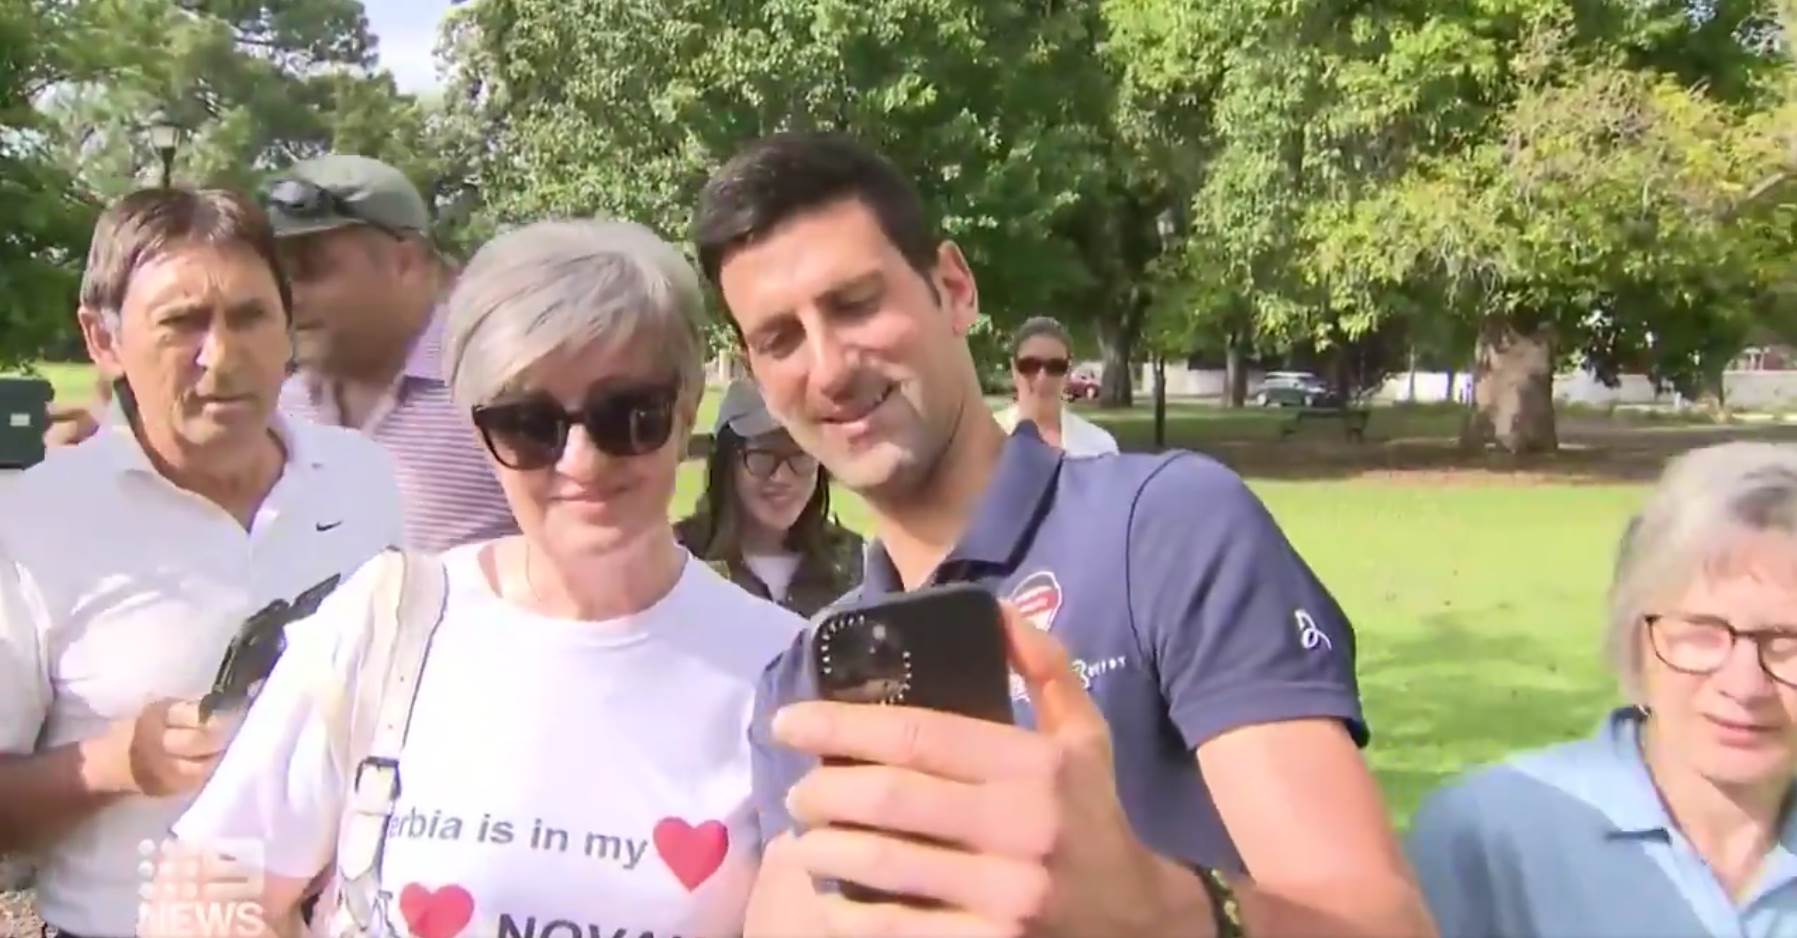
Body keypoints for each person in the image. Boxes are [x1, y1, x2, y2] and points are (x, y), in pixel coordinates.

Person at [693, 132, 1434, 937]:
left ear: (952, 289)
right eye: (781, 339)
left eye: (855, 304)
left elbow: (1380, 920)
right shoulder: (803, 677)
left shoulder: (1162, 528)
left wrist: (1160, 910)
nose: (829, 367)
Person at [159, 219, 805, 937]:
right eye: (530, 424)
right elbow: (203, 888)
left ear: (685, 414)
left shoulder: (782, 669)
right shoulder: (389, 620)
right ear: (480, 434)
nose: (582, 462)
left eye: (629, 416)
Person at [0, 188, 403, 938]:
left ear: (288, 326)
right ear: (103, 340)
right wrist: (117, 762)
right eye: (181, 322)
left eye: (250, 316)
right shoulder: (28, 523)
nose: (220, 356)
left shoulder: (363, 479)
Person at [1408, 442, 1797, 936]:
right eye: (1702, 634)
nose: (1745, 685)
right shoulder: (1489, 834)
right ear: (1634, 641)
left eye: (1787, 643)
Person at [264, 154, 518, 553]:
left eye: (311, 269)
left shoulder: (501, 388)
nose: (288, 297)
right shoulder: (276, 412)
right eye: (278, 276)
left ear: (406, 262)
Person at [675, 378, 864, 617]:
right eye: (763, 456)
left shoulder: (854, 566)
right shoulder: (679, 562)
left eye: (800, 456)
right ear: (726, 465)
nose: (782, 477)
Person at [993, 316, 1118, 457]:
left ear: (1068, 372)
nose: (1042, 378)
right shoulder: (984, 439)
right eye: (1030, 365)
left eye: (1055, 366)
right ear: (1014, 368)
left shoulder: (1098, 446)